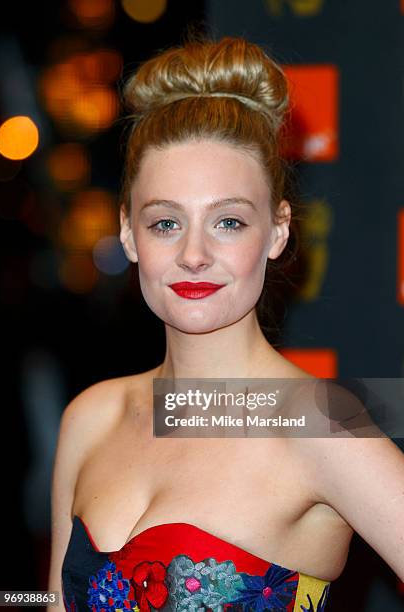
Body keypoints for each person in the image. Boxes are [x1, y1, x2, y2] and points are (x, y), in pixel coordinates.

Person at [48, 34, 404, 611]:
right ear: (127, 233)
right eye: (165, 223)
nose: (193, 254)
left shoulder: (319, 422)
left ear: (278, 231)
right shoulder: (91, 417)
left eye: (229, 222)